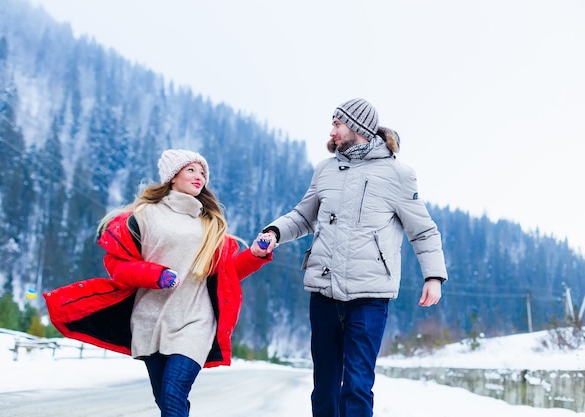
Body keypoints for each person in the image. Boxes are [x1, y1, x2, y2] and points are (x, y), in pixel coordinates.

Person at [44, 149, 275, 417]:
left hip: (195, 321)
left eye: (202, 172)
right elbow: (117, 265)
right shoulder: (144, 216)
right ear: (172, 176)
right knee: (166, 401)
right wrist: (154, 275)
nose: (199, 176)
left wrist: (255, 256)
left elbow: (225, 273)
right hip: (150, 321)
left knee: (174, 393)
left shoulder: (210, 225)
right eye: (191, 170)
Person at [261, 98, 448, 417]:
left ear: (358, 127)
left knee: (357, 386)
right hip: (323, 292)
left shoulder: (398, 175)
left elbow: (423, 230)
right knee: (324, 389)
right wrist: (275, 232)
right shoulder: (325, 169)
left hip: (370, 296)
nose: (332, 130)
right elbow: (304, 216)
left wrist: (433, 277)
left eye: (337, 123)